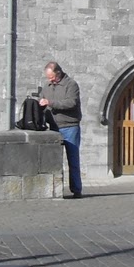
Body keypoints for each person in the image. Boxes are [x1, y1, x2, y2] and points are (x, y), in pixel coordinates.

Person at [37, 61, 83, 199]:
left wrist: (51, 103)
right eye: (48, 77)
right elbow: (42, 99)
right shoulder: (47, 86)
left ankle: (76, 190)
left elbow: (71, 102)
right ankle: (56, 190)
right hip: (54, 127)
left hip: (70, 126)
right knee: (54, 161)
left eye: (51, 77)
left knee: (72, 159)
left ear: (58, 73)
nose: (50, 80)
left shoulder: (71, 85)